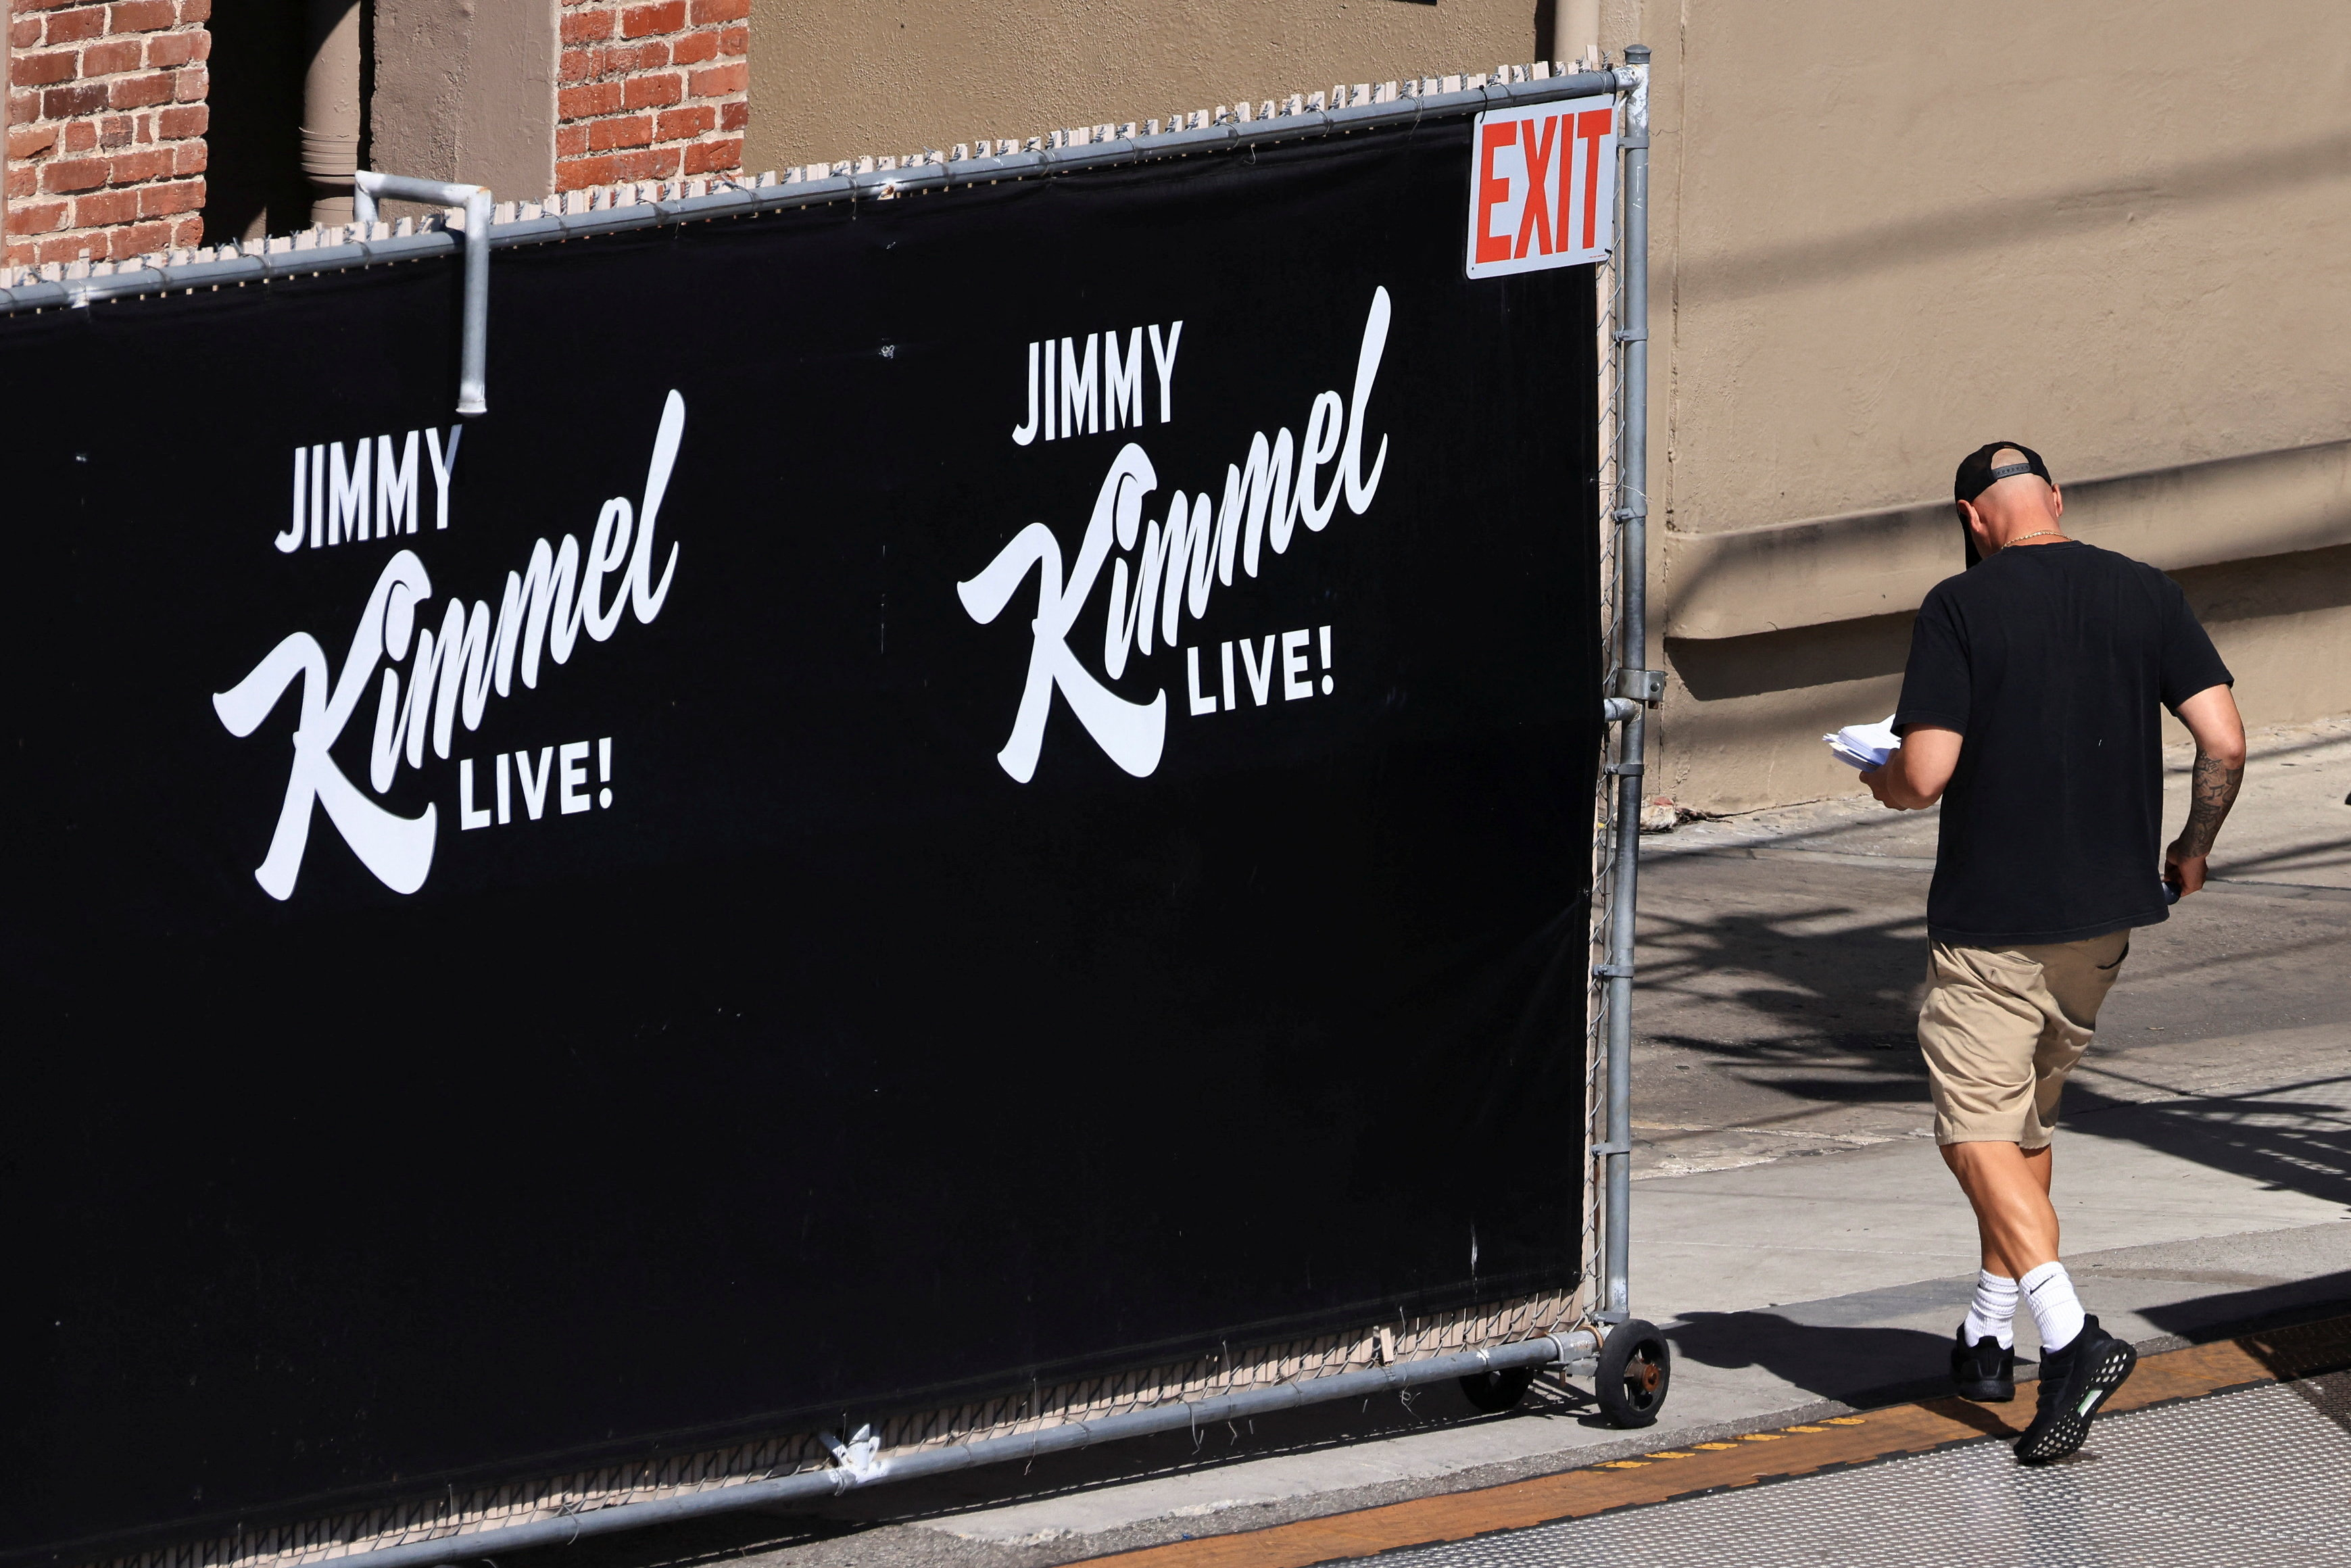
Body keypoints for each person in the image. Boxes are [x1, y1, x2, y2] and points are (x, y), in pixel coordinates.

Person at [1860, 441, 2245, 1465]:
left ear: (1969, 517)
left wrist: (1882, 779)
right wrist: (2191, 851)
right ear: (2054, 502)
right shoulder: (2145, 593)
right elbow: (2225, 742)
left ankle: (2071, 1337)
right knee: (2023, 1127)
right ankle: (1991, 1333)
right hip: (2105, 920)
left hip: (1993, 922)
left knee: (1971, 1131)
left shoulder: (1958, 605)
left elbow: (1927, 771)